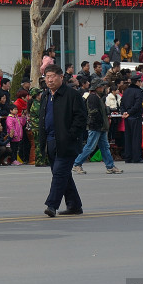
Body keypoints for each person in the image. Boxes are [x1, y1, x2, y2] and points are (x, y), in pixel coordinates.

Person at [39, 64, 87, 217]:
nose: (50, 80)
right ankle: (74, 205)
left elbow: (81, 118)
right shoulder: (46, 96)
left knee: (59, 174)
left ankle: (51, 205)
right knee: (63, 175)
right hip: (50, 141)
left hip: (66, 142)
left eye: (53, 76)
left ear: (61, 77)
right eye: (47, 77)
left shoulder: (72, 95)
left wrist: (70, 135)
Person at [72, 80, 123, 175]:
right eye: (101, 86)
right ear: (97, 87)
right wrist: (99, 122)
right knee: (90, 146)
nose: (103, 88)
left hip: (100, 126)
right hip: (96, 126)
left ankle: (110, 166)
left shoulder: (97, 97)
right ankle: (77, 164)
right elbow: (93, 112)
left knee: (104, 147)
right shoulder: (93, 98)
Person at [120, 74, 143, 164]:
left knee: (128, 138)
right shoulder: (138, 92)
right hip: (135, 116)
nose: (141, 83)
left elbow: (122, 103)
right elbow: (138, 104)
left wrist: (124, 112)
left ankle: (128, 157)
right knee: (136, 138)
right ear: (137, 82)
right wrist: (130, 112)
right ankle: (136, 157)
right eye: (140, 81)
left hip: (127, 117)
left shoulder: (126, 91)